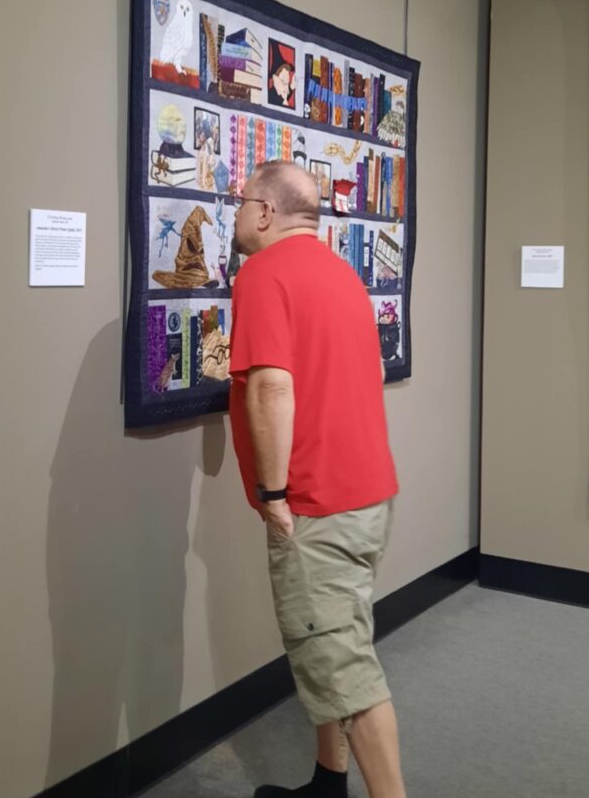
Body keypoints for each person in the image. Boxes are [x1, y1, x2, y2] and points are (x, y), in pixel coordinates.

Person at [228, 161, 405, 798]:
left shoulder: (262, 275)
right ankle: (329, 781)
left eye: (243, 200)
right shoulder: (342, 275)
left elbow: (273, 386)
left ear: (268, 212)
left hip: (316, 502)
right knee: (336, 644)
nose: (238, 212)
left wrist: (274, 495)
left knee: (346, 672)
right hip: (367, 493)